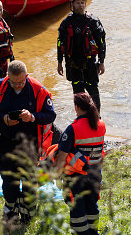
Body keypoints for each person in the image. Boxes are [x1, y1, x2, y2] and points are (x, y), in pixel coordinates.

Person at [0, 60, 56, 225]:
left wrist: (33, 117)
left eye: (21, 82)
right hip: (7, 142)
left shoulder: (38, 89)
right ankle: (10, 214)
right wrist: (4, 118)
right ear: (7, 77)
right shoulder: (0, 87)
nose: (17, 86)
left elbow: (51, 115)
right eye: (13, 82)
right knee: (9, 181)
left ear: (27, 76)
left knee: (29, 182)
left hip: (30, 145)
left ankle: (28, 215)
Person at [53, 92, 105, 235]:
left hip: (76, 177)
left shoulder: (72, 129)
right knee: (92, 205)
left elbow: (62, 157)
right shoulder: (101, 125)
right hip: (95, 174)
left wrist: (57, 177)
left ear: (77, 107)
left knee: (77, 210)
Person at [57, 0, 106, 112]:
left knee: (93, 91)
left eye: (82, 3)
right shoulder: (66, 23)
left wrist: (101, 61)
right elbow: (60, 44)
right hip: (73, 64)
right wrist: (59, 63)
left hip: (90, 63)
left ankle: (97, 117)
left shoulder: (93, 21)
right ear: (72, 5)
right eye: (78, 3)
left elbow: (101, 42)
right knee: (78, 94)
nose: (81, 5)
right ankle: (81, 118)